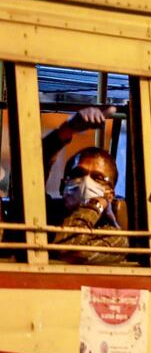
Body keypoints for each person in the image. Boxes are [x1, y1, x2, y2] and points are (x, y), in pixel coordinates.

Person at [42, 107, 128, 264]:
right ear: (63, 185)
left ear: (109, 194)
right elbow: (30, 168)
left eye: (98, 178)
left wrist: (94, 205)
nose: (86, 182)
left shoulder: (114, 237)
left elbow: (69, 248)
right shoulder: (44, 213)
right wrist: (67, 129)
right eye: (78, 174)